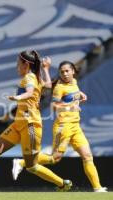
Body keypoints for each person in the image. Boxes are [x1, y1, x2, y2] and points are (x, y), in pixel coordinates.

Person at [0, 51, 72, 192]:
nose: (16, 66)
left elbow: (30, 92)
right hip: (19, 123)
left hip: (31, 125)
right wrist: (45, 68)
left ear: (26, 64)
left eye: (18, 63)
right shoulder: (35, 76)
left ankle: (63, 184)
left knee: (32, 166)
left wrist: (19, 98)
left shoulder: (29, 79)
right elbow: (49, 85)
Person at [12, 61, 107, 192]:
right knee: (54, 159)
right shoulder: (59, 87)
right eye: (62, 72)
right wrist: (70, 106)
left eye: (67, 71)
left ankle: (97, 188)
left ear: (73, 71)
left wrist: (81, 94)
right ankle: (22, 162)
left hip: (75, 126)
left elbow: (73, 93)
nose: (65, 74)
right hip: (63, 126)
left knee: (87, 156)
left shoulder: (74, 82)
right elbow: (55, 105)